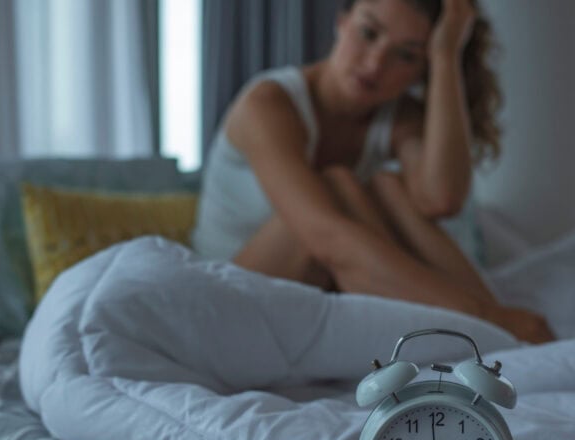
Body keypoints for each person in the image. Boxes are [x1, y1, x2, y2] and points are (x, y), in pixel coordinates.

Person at [192, 0, 554, 343]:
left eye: (407, 55)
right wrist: (481, 315)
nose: (376, 63)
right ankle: (490, 326)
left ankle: (494, 328)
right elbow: (324, 238)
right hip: (229, 294)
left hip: (312, 288)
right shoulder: (268, 104)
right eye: (369, 33)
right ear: (342, 20)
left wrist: (446, 56)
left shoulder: (397, 118)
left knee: (385, 186)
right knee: (335, 187)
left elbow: (441, 198)